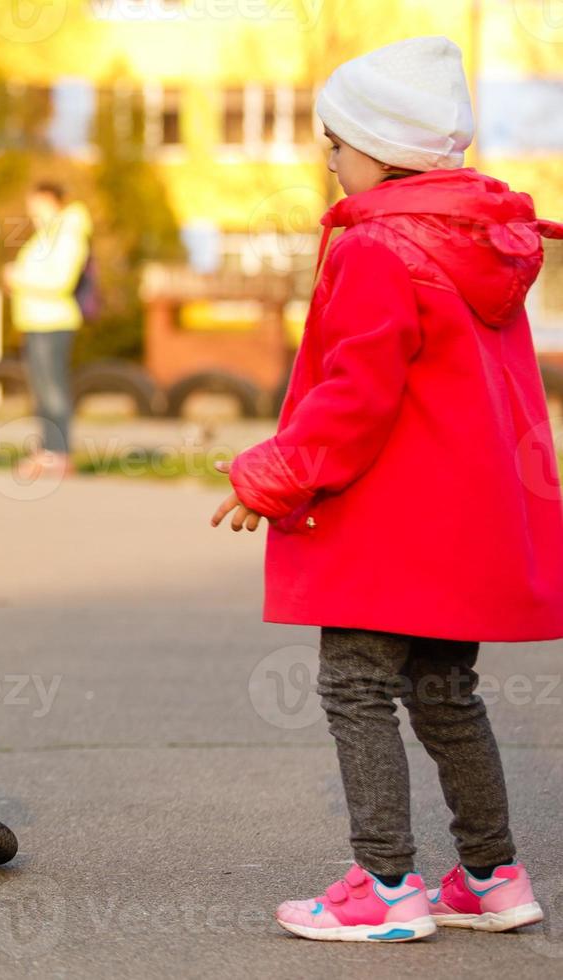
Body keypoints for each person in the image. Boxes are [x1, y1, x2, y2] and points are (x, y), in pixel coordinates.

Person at [211, 36, 561, 942]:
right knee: (446, 694)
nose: (327, 158)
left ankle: (386, 885)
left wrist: (276, 474)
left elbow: (356, 395)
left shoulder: (376, 248)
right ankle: (490, 874)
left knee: (356, 684)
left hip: (390, 522)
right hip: (466, 521)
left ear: (378, 150)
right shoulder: (480, 243)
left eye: (335, 142)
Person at [3, 181, 90, 481]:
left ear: (53, 201)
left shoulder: (68, 234)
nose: (32, 210)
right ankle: (47, 450)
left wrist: (19, 277)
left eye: (36, 203)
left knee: (54, 392)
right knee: (42, 392)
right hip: (35, 321)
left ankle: (59, 453)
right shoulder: (47, 235)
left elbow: (59, 281)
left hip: (54, 321)